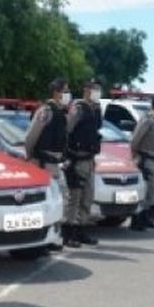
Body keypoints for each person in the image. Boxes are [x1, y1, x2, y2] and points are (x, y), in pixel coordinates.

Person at [24, 78, 71, 245]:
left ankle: (54, 236)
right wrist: (31, 157)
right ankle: (46, 238)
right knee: (48, 201)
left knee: (60, 199)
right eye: (65, 91)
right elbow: (31, 136)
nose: (67, 94)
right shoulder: (46, 111)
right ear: (56, 92)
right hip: (43, 162)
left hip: (55, 162)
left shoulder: (60, 111)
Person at [64, 80, 102, 246]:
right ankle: (68, 232)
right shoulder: (78, 108)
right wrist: (68, 157)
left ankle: (81, 229)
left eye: (99, 89)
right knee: (75, 197)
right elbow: (67, 131)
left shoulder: (95, 109)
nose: (97, 92)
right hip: (77, 158)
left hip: (89, 158)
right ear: (86, 90)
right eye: (95, 89)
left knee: (88, 196)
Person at [129, 93, 154, 230]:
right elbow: (135, 140)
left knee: (151, 191)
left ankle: (146, 217)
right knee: (143, 191)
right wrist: (137, 157)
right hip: (146, 159)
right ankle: (137, 220)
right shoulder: (148, 119)